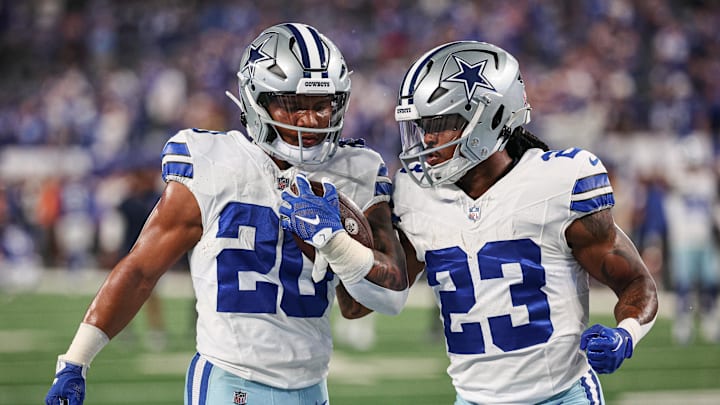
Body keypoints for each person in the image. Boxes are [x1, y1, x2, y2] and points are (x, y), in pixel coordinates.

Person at [45, 22, 408, 405]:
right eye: (293, 104)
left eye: (322, 104)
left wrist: (336, 245)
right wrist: (75, 360)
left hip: (312, 385)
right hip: (229, 381)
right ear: (256, 100)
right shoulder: (214, 164)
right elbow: (140, 270)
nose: (311, 119)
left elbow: (390, 298)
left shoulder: (355, 169)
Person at [391, 41, 658, 404]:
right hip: (471, 398)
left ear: (491, 118)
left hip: (561, 395)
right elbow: (380, 293)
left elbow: (636, 280)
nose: (427, 138)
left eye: (441, 123)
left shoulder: (559, 180)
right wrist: (340, 234)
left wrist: (625, 334)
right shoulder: (414, 194)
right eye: (423, 125)